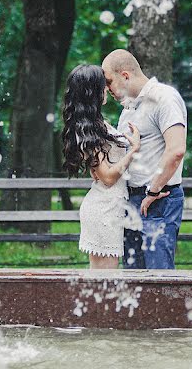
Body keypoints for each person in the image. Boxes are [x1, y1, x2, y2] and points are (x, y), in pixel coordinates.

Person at [101, 49, 187, 270]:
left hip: (159, 200)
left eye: (109, 81)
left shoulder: (165, 98)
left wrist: (153, 191)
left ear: (126, 75)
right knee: (133, 281)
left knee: (158, 280)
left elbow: (176, 150)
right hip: (131, 200)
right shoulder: (128, 110)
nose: (106, 89)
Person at [60, 64, 142, 269]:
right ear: (93, 91)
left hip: (109, 206)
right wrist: (133, 151)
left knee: (102, 285)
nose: (107, 89)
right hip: (104, 210)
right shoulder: (90, 129)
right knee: (105, 284)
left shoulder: (93, 125)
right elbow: (107, 177)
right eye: (102, 86)